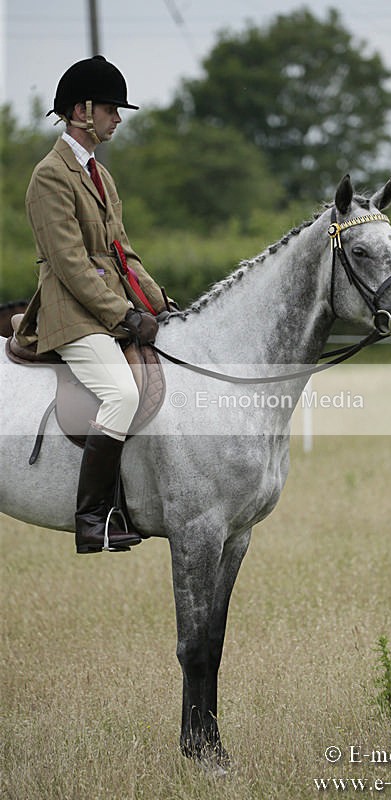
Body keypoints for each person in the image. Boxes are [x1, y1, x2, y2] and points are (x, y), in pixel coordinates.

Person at [16, 55, 168, 554]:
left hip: (104, 307)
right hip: (71, 312)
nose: (117, 118)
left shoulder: (101, 175)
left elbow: (121, 253)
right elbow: (70, 263)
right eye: (110, 108)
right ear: (81, 111)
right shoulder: (49, 176)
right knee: (121, 395)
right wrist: (123, 314)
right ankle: (92, 519)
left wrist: (159, 302)